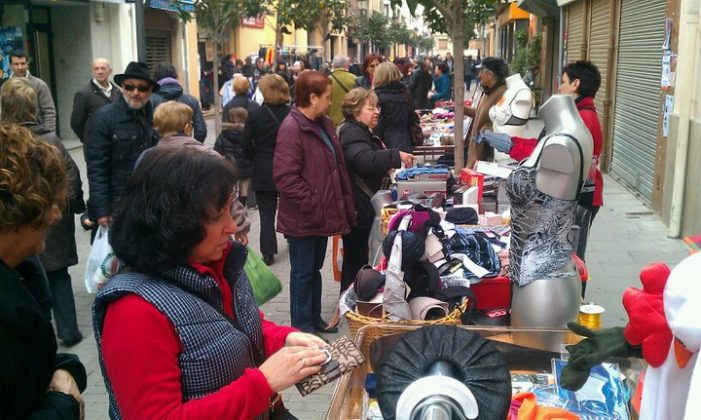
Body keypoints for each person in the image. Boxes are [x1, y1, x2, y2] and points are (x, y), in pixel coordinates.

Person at [94, 146, 328, 419]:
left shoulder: (217, 263)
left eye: (230, 211)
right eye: (218, 216)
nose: (232, 227)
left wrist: (285, 338)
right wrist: (262, 384)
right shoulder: (134, 310)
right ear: (175, 223)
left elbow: (232, 327)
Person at [0, 123, 87, 419]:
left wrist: (66, 369)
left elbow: (33, 362)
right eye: (48, 203)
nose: (57, 215)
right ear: (14, 212)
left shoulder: (22, 270)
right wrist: (63, 404)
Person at [1, 77, 86, 347]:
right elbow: (72, 175)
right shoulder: (49, 139)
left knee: (30, 276)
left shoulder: (15, 144)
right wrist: (72, 205)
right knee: (57, 275)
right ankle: (68, 330)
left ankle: (42, 329)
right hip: (52, 231)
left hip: (27, 229)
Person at [273, 71, 356, 333]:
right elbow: (285, 178)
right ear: (312, 98)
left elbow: (335, 168)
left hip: (319, 216)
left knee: (313, 271)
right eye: (327, 97)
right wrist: (313, 204)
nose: (330, 103)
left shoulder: (323, 123)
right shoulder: (292, 128)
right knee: (302, 274)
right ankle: (302, 329)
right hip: (303, 218)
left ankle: (314, 318)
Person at [338, 88, 414, 292]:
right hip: (358, 205)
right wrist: (394, 156)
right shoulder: (351, 131)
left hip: (362, 203)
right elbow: (364, 160)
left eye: (377, 106)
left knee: (357, 259)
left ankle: (354, 297)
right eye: (370, 107)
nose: (377, 111)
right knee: (356, 260)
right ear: (355, 111)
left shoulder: (361, 131)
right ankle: (353, 301)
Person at [86, 61, 159, 229]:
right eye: (129, 87)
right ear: (122, 88)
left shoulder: (155, 117)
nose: (135, 93)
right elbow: (97, 167)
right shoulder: (103, 118)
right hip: (118, 204)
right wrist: (102, 209)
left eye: (142, 88)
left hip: (150, 202)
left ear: (150, 91)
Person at [242, 74, 292, 267]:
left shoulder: (256, 114)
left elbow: (245, 143)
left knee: (266, 213)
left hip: (264, 167)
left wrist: (255, 157)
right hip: (288, 166)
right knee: (290, 206)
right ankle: (291, 236)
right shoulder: (291, 113)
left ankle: (268, 251)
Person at [463, 57, 509, 169]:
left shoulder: (503, 94)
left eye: (481, 72)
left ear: (491, 74)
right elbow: (480, 114)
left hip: (485, 159)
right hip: (475, 155)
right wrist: (460, 108)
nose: (479, 76)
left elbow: (500, 125)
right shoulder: (487, 92)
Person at [150, 62, 207, 142]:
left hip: (159, 151)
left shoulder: (150, 101)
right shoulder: (192, 100)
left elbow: (147, 131)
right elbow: (201, 130)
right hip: (185, 150)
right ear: (175, 77)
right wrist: (193, 147)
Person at [1, 50, 56, 132]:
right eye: (16, 64)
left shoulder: (39, 85)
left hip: (36, 132)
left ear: (27, 64)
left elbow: (49, 112)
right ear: (10, 66)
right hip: (13, 133)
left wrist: (48, 133)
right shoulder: (5, 86)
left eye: (23, 63)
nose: (20, 67)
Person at [70, 58, 120, 143]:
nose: (100, 71)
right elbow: (76, 123)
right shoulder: (83, 94)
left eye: (103, 68)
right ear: (92, 71)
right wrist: (88, 139)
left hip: (116, 144)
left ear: (110, 71)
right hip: (94, 145)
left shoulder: (118, 92)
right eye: (96, 69)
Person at [373, 62, 416, 152]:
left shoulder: (376, 95)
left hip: (384, 142)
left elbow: (376, 123)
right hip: (405, 140)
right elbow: (412, 117)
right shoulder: (405, 92)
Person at [215, 106, 252, 208]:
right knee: (244, 187)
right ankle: (242, 206)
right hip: (245, 165)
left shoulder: (223, 134)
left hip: (229, 165)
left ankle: (232, 206)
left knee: (231, 187)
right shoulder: (248, 133)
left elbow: (217, 150)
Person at [329, 55, 357, 127]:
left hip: (332, 121)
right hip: (350, 120)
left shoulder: (327, 80)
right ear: (346, 65)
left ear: (334, 65)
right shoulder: (354, 79)